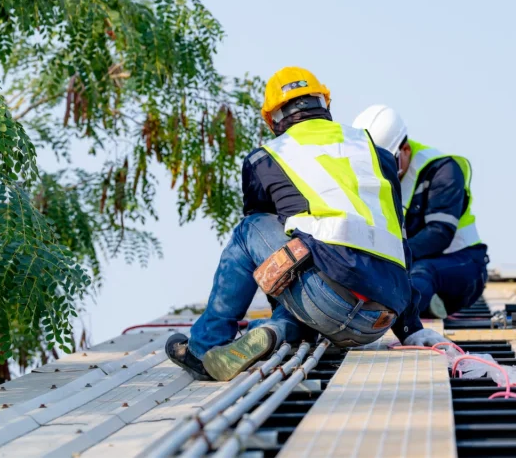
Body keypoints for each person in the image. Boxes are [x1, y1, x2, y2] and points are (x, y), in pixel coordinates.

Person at [166, 68, 445, 382]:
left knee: (251, 231)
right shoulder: (375, 152)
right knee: (325, 258)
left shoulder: (266, 157)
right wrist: (410, 330)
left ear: (272, 119)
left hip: (328, 304)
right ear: (324, 105)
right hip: (382, 317)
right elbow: (397, 240)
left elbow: (270, 256)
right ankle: (276, 330)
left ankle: (205, 348)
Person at [353, 105, 489, 320]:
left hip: (462, 266)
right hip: (409, 263)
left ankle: (402, 318)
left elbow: (439, 234)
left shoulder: (443, 170)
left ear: (405, 150)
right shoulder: (372, 182)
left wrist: (390, 259)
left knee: (422, 272)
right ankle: (424, 305)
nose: (380, 172)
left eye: (387, 163)